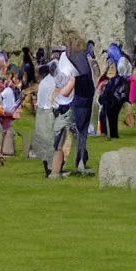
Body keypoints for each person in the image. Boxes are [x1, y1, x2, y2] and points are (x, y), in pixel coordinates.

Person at [66, 32, 97, 175]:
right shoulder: (84, 57)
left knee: (80, 131)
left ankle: (80, 160)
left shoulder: (70, 58)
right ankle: (80, 161)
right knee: (81, 132)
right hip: (83, 97)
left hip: (78, 97)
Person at [49, 45, 79, 178]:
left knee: (59, 141)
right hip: (63, 109)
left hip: (58, 109)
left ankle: (55, 170)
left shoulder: (55, 77)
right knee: (60, 142)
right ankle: (55, 172)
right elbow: (64, 93)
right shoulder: (64, 74)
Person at [30, 62, 57, 172]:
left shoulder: (43, 83)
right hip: (50, 112)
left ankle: (48, 165)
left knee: (45, 141)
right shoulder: (52, 81)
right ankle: (51, 166)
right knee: (51, 140)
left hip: (43, 113)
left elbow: (40, 102)